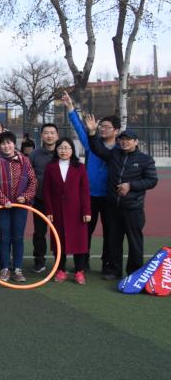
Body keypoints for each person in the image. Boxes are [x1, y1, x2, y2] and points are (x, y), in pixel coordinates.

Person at [87, 123, 158, 277]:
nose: (125, 142)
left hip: (133, 208)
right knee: (114, 240)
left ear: (136, 142)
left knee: (135, 242)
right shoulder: (114, 154)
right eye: (122, 139)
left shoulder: (145, 160)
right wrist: (92, 133)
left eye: (128, 139)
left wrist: (131, 185)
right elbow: (97, 149)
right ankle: (114, 270)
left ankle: (134, 273)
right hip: (114, 207)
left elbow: (152, 180)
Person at [63, 91, 119, 277]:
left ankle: (108, 265)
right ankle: (82, 263)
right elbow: (79, 128)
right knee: (85, 231)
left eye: (107, 127)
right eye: (101, 126)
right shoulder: (91, 144)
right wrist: (71, 108)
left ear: (116, 131)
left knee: (110, 233)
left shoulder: (120, 150)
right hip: (89, 197)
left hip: (110, 197)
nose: (102, 129)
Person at [0, 131, 38, 283]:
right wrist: (3, 200)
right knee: (4, 237)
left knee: (18, 237)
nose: (6, 146)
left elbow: (33, 181)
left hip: (20, 205)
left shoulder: (24, 160)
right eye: (3, 143)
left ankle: (17, 269)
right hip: (2, 206)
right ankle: (4, 268)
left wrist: (25, 197)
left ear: (14, 144)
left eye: (9, 142)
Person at [43, 137, 91, 284]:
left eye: (66, 148)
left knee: (79, 242)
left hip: (77, 211)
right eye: (60, 148)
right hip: (57, 211)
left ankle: (79, 271)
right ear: (56, 150)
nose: (63, 151)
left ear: (72, 150)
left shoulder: (80, 167)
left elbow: (84, 190)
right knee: (58, 242)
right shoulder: (50, 167)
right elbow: (46, 191)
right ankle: (61, 270)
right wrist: (49, 211)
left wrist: (86, 211)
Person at [27, 123, 59, 273]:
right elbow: (28, 176)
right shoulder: (34, 154)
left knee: (59, 232)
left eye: (52, 133)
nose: (49, 135)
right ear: (41, 136)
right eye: (46, 133)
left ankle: (60, 262)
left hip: (59, 202)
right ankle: (39, 261)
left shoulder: (63, 151)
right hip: (40, 200)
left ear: (57, 135)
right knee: (39, 232)